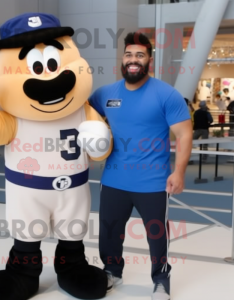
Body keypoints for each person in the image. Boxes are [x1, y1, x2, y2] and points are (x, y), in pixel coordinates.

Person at [89, 32, 192, 300]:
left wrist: (178, 172)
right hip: (114, 179)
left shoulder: (166, 94)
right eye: (129, 54)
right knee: (110, 231)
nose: (133, 60)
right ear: (122, 59)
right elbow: (85, 113)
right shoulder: (106, 93)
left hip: (153, 182)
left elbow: (184, 134)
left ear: (149, 60)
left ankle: (160, 280)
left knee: (157, 236)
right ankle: (112, 271)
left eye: (139, 55)